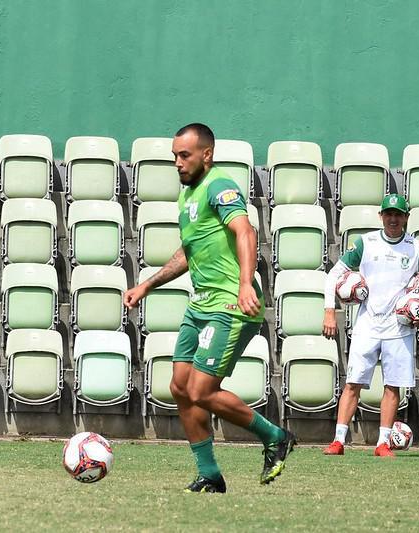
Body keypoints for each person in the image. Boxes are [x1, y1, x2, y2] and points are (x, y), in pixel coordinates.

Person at [124, 123, 295, 493]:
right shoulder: (188, 195)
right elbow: (189, 252)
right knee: (180, 387)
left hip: (231, 304)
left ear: (207, 154)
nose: (177, 162)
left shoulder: (220, 185)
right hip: (200, 304)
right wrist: (147, 284)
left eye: (184, 155)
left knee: (201, 390)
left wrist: (246, 283)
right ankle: (210, 474)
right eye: (174, 156)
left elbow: (245, 231)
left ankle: (275, 436)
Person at [322, 194, 419, 457]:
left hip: (400, 327)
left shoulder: (416, 248)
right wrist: (329, 311)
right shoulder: (366, 242)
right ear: (381, 216)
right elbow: (334, 274)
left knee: (392, 386)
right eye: (389, 214)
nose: (393, 219)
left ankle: (382, 444)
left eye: (398, 214)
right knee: (353, 383)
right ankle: (338, 441)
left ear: (406, 218)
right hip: (367, 324)